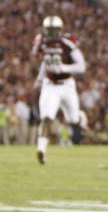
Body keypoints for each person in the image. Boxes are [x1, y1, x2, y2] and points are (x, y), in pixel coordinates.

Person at [32, 15, 86, 164]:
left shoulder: (67, 43)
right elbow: (45, 62)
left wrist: (64, 67)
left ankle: (80, 116)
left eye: (53, 30)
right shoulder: (41, 42)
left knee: (73, 120)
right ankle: (41, 149)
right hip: (50, 85)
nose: (50, 33)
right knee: (47, 117)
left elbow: (82, 66)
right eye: (48, 29)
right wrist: (40, 78)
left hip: (67, 84)